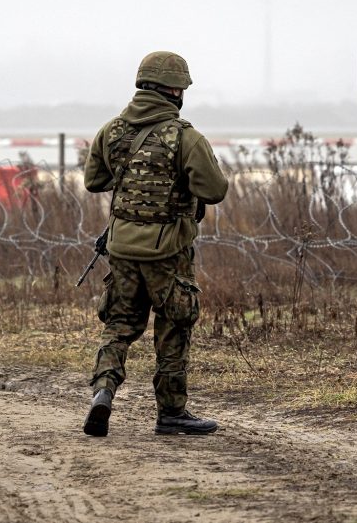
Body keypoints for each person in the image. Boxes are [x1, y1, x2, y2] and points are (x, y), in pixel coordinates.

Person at [82, 51, 228, 437]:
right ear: (176, 90)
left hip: (122, 249)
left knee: (119, 324)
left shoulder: (111, 131)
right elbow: (215, 189)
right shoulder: (185, 137)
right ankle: (172, 412)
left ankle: (103, 392)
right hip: (168, 253)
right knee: (174, 326)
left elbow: (94, 181)